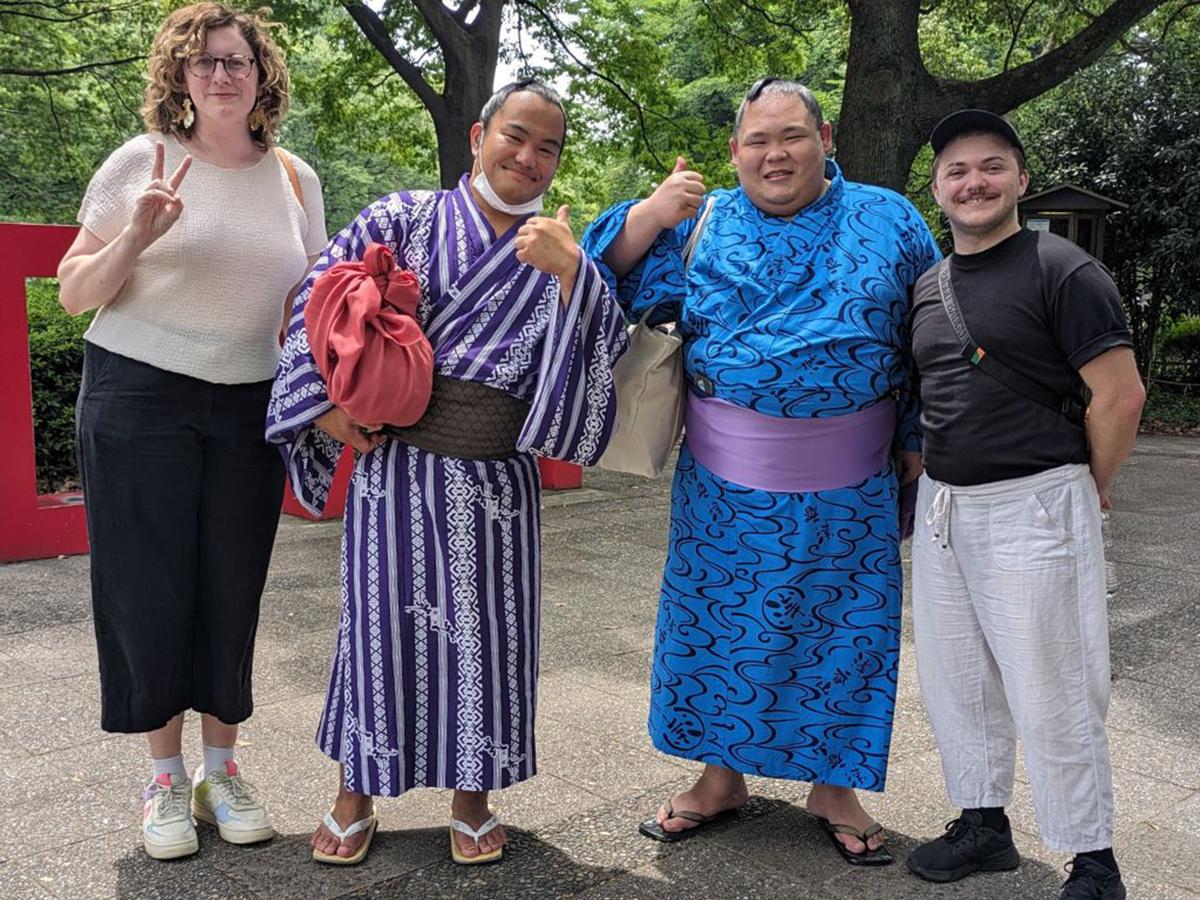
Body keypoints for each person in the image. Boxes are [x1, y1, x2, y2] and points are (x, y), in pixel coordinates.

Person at [267, 78, 627, 866]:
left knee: (490, 638)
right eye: (516, 135)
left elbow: (607, 350)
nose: (529, 157)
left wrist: (575, 277)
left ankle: (474, 799)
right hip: (396, 465)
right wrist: (324, 406)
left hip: (499, 480)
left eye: (548, 147)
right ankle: (352, 795)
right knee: (374, 629)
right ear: (478, 135)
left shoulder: (561, 251)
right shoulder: (403, 217)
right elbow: (314, 302)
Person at [580, 79, 940, 864]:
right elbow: (593, 274)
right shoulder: (701, 221)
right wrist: (648, 212)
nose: (775, 154)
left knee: (845, 632)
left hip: (852, 474)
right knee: (719, 630)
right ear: (736, 150)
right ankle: (719, 777)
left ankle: (833, 786)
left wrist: (918, 436)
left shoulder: (892, 220)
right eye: (757, 141)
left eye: (792, 136)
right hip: (723, 479)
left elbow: (929, 339)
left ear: (827, 137)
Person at [57, 3, 326, 861]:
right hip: (137, 394)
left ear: (261, 74)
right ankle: (165, 779)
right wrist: (136, 231)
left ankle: (223, 768)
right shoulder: (144, 161)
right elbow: (73, 292)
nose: (221, 74)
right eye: (205, 61)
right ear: (180, 74)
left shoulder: (295, 179)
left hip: (250, 403)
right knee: (149, 588)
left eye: (237, 60)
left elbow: (311, 302)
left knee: (232, 585)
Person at [905, 109, 1144, 900]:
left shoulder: (1064, 270)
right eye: (957, 172)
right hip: (944, 507)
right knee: (957, 679)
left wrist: (1089, 484)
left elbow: (1119, 397)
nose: (974, 182)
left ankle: (1093, 858)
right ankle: (983, 825)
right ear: (937, 189)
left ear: (1020, 180)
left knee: (1054, 685)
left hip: (1035, 504)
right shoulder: (930, 285)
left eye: (991, 167)